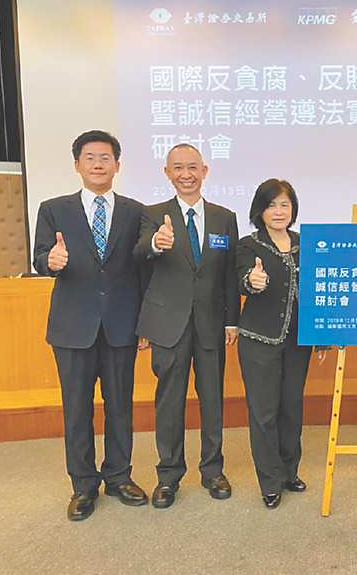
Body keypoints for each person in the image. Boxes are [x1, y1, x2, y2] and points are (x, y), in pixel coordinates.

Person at [33, 130, 148, 520]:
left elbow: (142, 268)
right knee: (77, 410)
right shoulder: (54, 209)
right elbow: (40, 257)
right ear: (77, 165)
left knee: (120, 407)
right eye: (90, 158)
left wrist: (144, 324)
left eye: (105, 158)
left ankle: (119, 476)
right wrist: (51, 261)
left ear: (117, 165)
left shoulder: (136, 212)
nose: (98, 164)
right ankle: (83, 485)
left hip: (121, 325)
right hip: (72, 328)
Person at [134, 143, 239, 509]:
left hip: (211, 323)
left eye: (192, 167)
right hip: (168, 325)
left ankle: (213, 471)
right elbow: (139, 254)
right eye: (177, 167)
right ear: (167, 173)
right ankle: (168, 476)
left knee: (213, 400)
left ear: (205, 171)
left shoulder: (224, 217)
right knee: (169, 402)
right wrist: (155, 243)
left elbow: (229, 273)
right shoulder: (152, 215)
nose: (186, 174)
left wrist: (232, 320)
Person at [236, 179, 324, 509]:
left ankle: (289, 472)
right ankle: (270, 482)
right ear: (260, 210)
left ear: (293, 209)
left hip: (298, 341)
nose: (278, 211)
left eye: (284, 204)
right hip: (259, 340)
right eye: (271, 205)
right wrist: (252, 280)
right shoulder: (249, 245)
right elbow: (242, 279)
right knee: (264, 413)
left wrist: (322, 338)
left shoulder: (306, 244)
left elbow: (318, 291)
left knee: (291, 408)